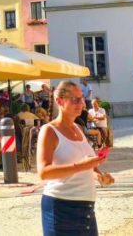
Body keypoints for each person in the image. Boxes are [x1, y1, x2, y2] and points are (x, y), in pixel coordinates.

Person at [37, 81, 114, 235]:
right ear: (59, 101)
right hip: (61, 207)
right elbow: (44, 172)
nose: (81, 104)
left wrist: (99, 176)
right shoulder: (49, 131)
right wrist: (82, 166)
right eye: (75, 99)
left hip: (86, 208)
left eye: (81, 98)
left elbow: (86, 165)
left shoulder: (78, 129)